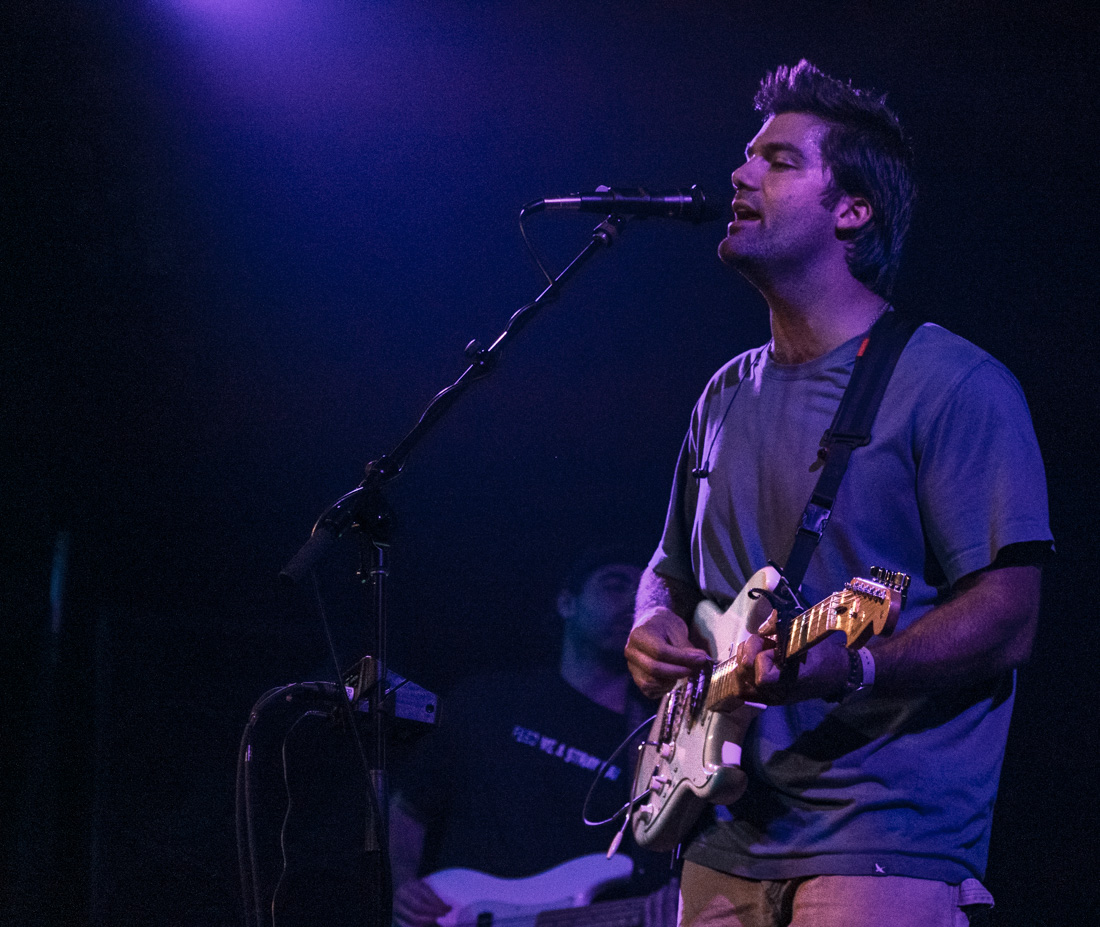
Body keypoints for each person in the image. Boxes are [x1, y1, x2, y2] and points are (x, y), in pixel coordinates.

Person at [624, 60, 1053, 927]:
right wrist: (649, 626)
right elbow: (667, 569)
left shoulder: (954, 382)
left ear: (852, 210)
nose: (741, 174)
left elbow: (1011, 613)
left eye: (779, 161)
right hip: (716, 832)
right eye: (747, 156)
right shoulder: (722, 394)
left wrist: (856, 662)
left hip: (883, 841)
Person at [391, 545, 675, 927]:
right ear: (566, 603)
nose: (631, 602)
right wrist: (400, 885)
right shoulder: (488, 700)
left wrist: (675, 891)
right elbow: (408, 808)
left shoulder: (653, 738)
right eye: (614, 585)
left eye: (640, 591)